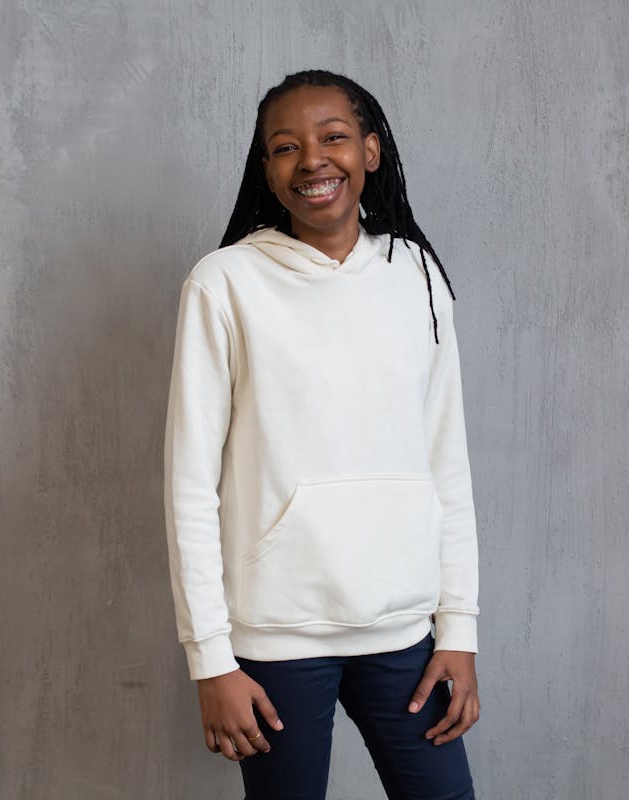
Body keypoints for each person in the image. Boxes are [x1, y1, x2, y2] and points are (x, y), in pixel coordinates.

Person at [163, 69, 481, 800]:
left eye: (333, 137)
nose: (312, 160)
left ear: (371, 150)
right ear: (266, 168)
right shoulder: (224, 284)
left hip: (403, 634)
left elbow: (447, 467)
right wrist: (212, 659)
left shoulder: (419, 277)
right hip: (276, 642)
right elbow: (188, 484)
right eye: (285, 147)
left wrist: (457, 629)